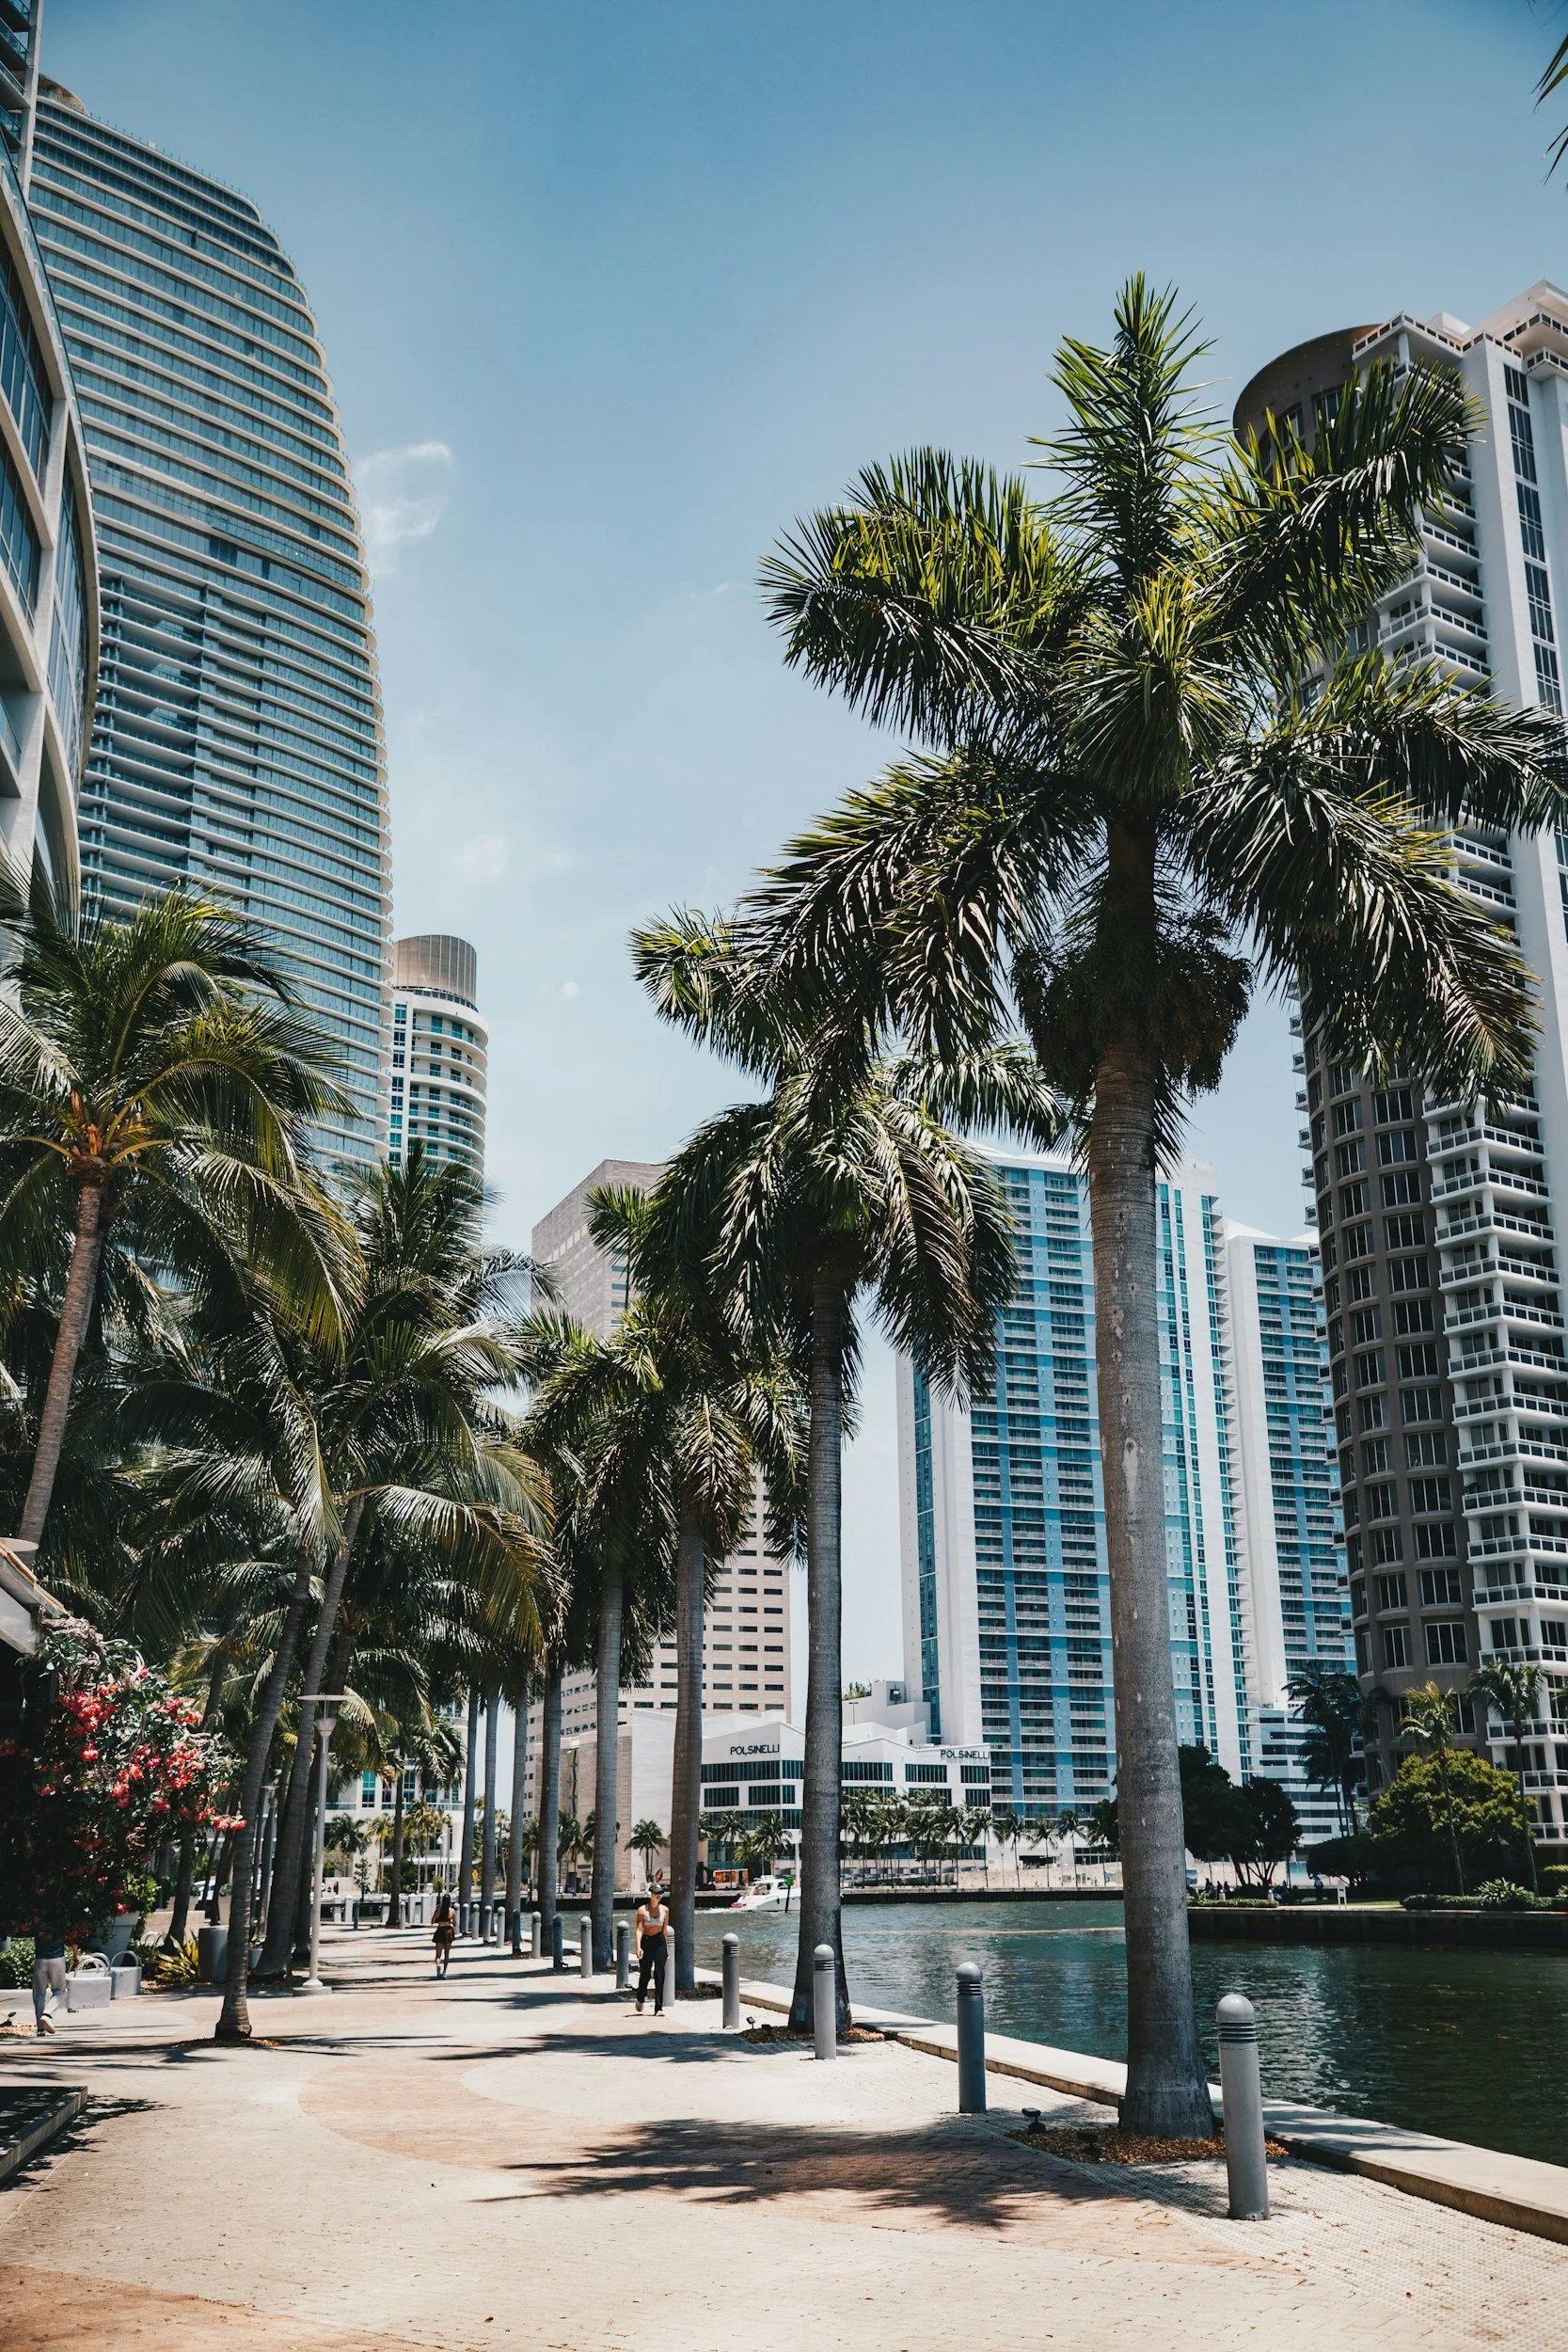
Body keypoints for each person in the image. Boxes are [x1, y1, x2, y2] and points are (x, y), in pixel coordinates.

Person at [633, 1883, 670, 2016]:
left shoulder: (665, 1910)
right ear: (650, 1895)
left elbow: (665, 1929)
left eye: (660, 1893)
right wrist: (638, 1947)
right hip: (646, 1942)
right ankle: (640, 1997)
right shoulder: (642, 1910)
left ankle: (658, 2008)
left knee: (660, 1974)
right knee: (645, 1974)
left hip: (659, 1942)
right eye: (656, 1893)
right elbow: (639, 1929)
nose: (659, 1895)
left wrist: (667, 1947)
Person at [32, 1933, 67, 2036]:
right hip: (58, 1959)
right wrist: (75, 1954)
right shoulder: (61, 1923)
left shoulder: (38, 1922)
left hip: (40, 1960)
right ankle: (47, 2014)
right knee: (59, 1991)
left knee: (39, 1994)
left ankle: (41, 2029)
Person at [432, 1891, 455, 1979]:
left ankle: (438, 1968)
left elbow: (432, 1921)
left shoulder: (438, 1910)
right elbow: (455, 1923)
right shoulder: (452, 1911)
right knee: (447, 1953)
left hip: (440, 1931)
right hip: (448, 1931)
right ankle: (445, 1972)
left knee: (438, 1954)